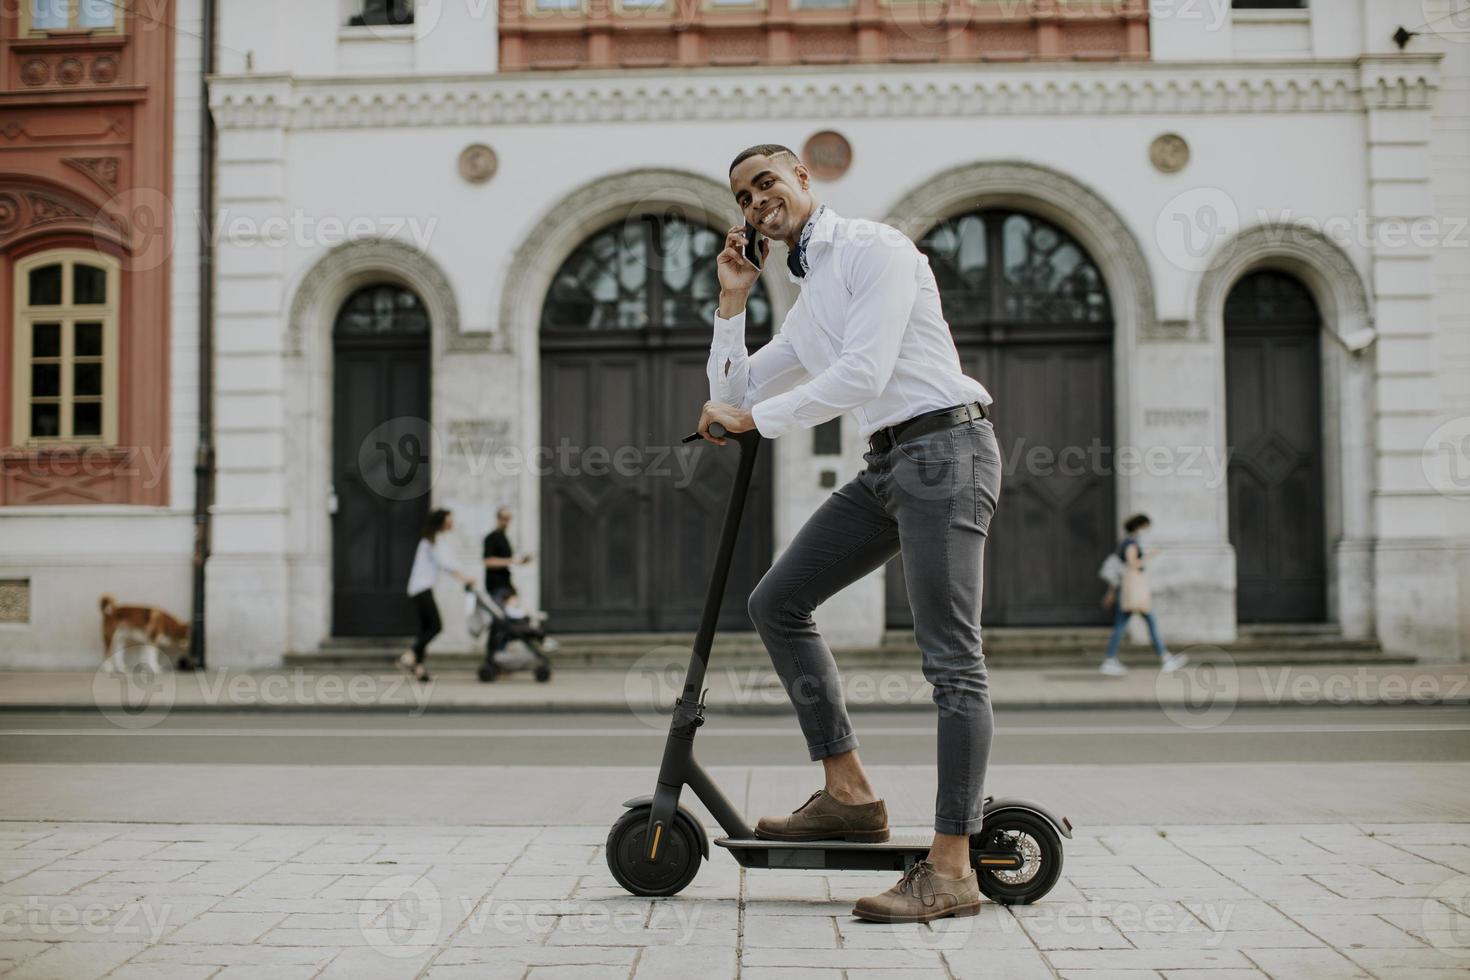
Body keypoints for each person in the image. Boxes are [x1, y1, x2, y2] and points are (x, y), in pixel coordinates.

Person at [696, 144, 1001, 924]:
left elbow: (863, 374)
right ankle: (850, 793)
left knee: (951, 663)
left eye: (767, 181)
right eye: (742, 195)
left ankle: (953, 869)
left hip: (945, 451)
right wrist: (733, 302)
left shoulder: (874, 248)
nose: (756, 199)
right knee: (779, 601)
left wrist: (755, 419)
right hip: (888, 464)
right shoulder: (807, 294)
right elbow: (734, 388)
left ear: (803, 177)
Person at [1099, 513, 1189, 677]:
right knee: (1146, 622)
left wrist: (1111, 592)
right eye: (1146, 527)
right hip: (1132, 590)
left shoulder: (1126, 542)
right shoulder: (1131, 543)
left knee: (1125, 624)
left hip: (1126, 590)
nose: (1147, 531)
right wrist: (1151, 555)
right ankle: (1164, 658)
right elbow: (1132, 564)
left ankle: (1112, 660)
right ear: (1140, 526)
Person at [400, 508, 472, 683]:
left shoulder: (433, 540)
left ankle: (419, 668)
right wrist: (464, 578)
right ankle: (410, 655)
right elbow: (445, 563)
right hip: (421, 589)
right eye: (449, 520)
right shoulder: (431, 541)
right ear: (442, 522)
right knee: (435, 626)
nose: (452, 523)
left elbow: (447, 560)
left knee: (425, 629)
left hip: (420, 589)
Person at [483, 507, 532, 657]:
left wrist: (518, 563)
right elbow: (488, 561)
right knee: (499, 622)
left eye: (509, 518)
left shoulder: (504, 538)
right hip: (496, 586)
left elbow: (507, 563)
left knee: (507, 622)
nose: (507, 521)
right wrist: (512, 561)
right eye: (504, 518)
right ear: (498, 518)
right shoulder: (491, 538)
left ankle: (500, 655)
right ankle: (494, 657)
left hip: (506, 586)